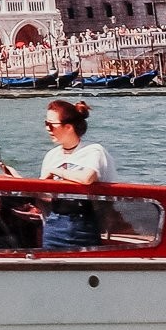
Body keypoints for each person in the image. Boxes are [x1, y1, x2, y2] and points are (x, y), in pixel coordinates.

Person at [40, 99, 115, 250]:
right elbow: (44, 195)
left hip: (84, 223)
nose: (47, 129)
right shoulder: (51, 156)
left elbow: (87, 178)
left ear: (68, 127)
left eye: (51, 125)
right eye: (46, 123)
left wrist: (56, 171)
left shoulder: (93, 151)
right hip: (54, 224)